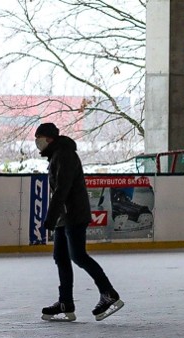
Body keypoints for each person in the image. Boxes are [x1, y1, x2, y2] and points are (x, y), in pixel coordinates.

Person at [36, 122, 124, 322]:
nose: (37, 142)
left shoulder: (64, 154)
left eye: (39, 138)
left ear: (49, 138)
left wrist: (50, 218)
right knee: (61, 257)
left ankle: (109, 293)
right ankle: (65, 302)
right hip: (64, 216)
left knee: (78, 256)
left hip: (73, 214)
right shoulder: (56, 155)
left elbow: (62, 189)